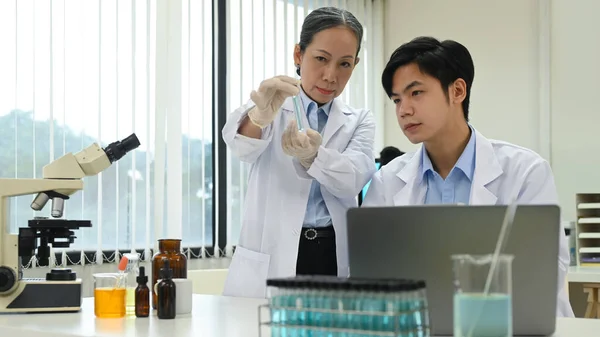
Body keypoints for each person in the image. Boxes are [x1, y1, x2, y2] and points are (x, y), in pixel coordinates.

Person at [362, 36, 574, 317]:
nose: (404, 111)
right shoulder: (387, 180)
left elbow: (544, 272)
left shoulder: (525, 171)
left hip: (511, 326)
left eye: (416, 93)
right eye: (397, 99)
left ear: (457, 91)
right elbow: (370, 274)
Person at [221, 7, 376, 299]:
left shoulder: (360, 119)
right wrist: (258, 118)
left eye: (344, 64)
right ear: (298, 55)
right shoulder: (272, 102)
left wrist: (313, 158)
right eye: (321, 59)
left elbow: (353, 179)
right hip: (272, 254)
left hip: (330, 253)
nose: (331, 76)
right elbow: (241, 148)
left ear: (355, 65)